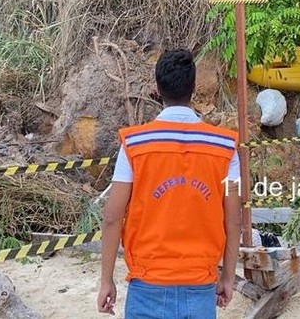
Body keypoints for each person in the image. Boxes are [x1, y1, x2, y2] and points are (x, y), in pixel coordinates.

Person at [97, 49, 241, 318]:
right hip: (200, 286)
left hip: (146, 286)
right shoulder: (225, 146)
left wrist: (106, 280)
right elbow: (233, 220)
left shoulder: (134, 144)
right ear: (194, 87)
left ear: (157, 88)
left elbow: (112, 218)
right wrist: (228, 277)